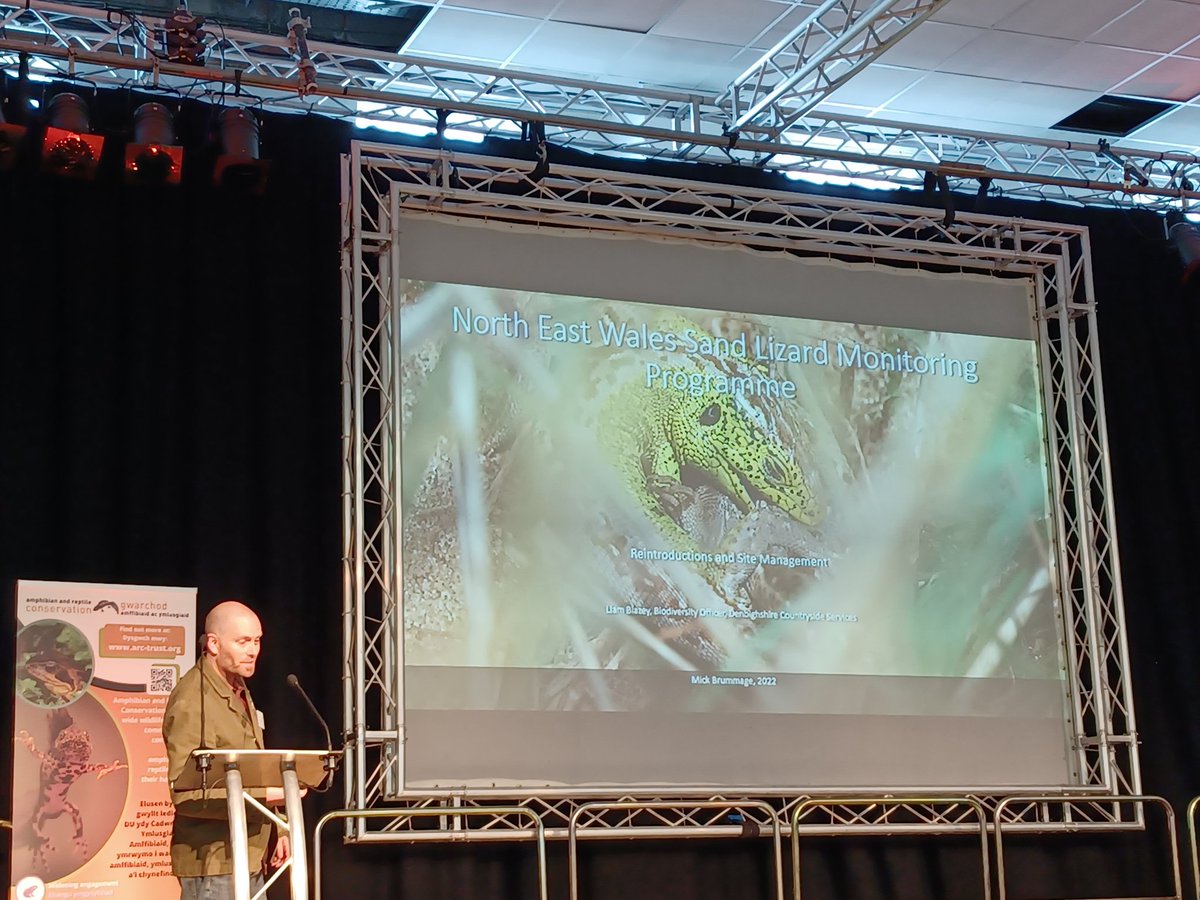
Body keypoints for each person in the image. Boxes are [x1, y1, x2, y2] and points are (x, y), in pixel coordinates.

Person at [163, 600, 291, 900]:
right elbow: (186, 794)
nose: (253, 650)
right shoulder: (191, 700)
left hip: (249, 854)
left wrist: (280, 825)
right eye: (243, 641)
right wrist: (267, 797)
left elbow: (254, 768)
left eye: (257, 640)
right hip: (212, 861)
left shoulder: (238, 687)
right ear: (213, 644)